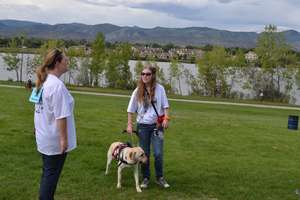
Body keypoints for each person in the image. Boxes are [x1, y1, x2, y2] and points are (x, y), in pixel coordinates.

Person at [34, 48, 77, 200]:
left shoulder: (44, 82)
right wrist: (64, 141)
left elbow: (39, 111)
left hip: (44, 137)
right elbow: (61, 116)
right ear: (57, 62)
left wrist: (36, 130)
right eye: (65, 60)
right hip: (54, 141)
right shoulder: (57, 86)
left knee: (48, 173)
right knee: (50, 177)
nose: (68, 62)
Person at [127, 65, 170, 189]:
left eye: (148, 74)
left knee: (158, 153)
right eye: (143, 74)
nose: (145, 76)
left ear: (153, 76)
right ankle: (145, 178)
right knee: (144, 153)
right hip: (143, 127)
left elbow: (166, 106)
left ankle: (159, 178)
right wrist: (129, 124)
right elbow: (130, 110)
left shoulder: (160, 89)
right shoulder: (137, 91)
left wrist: (166, 119)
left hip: (157, 126)